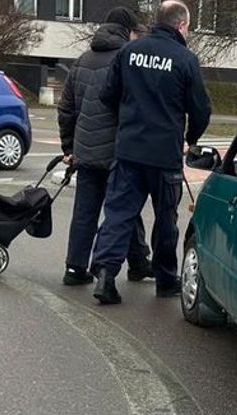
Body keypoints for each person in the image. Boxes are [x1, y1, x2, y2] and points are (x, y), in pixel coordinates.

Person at [87, 0, 211, 305]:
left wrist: (128, 118)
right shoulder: (185, 59)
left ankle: (105, 274)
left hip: (129, 150)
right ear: (182, 25)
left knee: (118, 215)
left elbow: (107, 95)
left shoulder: (129, 51)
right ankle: (166, 279)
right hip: (164, 154)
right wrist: (190, 138)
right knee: (166, 218)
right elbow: (201, 109)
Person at [56, 6, 152, 287]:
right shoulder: (128, 60)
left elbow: (66, 109)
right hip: (118, 151)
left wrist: (69, 147)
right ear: (127, 31)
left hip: (85, 151)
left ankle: (75, 268)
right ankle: (135, 264)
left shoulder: (82, 61)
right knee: (124, 209)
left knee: (84, 212)